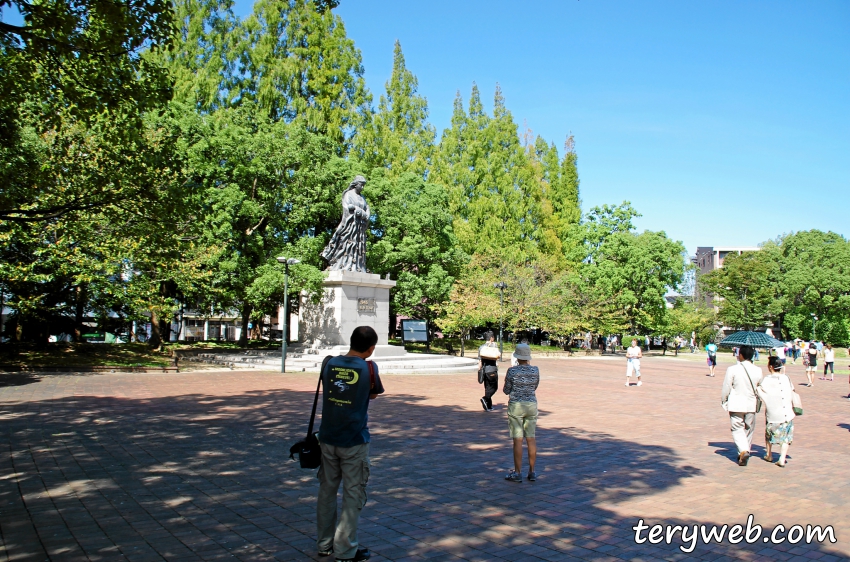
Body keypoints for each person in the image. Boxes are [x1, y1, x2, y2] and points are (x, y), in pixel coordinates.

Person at [316, 326, 385, 562]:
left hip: (327, 437)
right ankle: (345, 550)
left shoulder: (329, 363)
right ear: (371, 347)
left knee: (326, 491)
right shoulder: (369, 367)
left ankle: (324, 544)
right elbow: (373, 394)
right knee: (353, 494)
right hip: (354, 439)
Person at [503, 344, 540, 483]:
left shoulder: (512, 371)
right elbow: (535, 386)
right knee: (531, 437)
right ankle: (532, 471)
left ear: (517, 357)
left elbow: (506, 390)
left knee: (517, 439)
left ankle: (518, 472)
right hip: (531, 404)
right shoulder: (535, 370)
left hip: (516, 405)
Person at [720, 345, 763, 466]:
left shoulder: (732, 369)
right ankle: (744, 450)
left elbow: (727, 386)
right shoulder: (758, 370)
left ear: (742, 355)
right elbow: (760, 387)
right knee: (749, 428)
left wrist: (724, 399)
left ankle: (743, 450)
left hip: (736, 403)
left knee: (737, 427)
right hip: (751, 403)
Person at [321, 176, 370, 272]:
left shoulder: (362, 197)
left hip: (360, 228)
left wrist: (367, 213)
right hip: (350, 227)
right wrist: (357, 210)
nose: (362, 188)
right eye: (361, 185)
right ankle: (343, 265)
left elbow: (367, 208)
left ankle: (358, 266)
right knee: (347, 246)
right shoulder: (349, 194)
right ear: (356, 184)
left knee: (359, 247)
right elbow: (347, 207)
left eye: (364, 185)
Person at [757, 356, 795, 467]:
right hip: (787, 412)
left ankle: (769, 454)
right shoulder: (786, 378)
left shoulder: (767, 380)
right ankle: (782, 458)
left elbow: (760, 392)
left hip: (773, 413)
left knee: (769, 434)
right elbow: (792, 390)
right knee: (786, 437)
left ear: (771, 367)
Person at [478, 332, 499, 411]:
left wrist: (479, 370)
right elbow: (498, 355)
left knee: (487, 387)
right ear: (491, 338)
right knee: (494, 387)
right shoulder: (494, 346)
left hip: (484, 370)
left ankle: (488, 406)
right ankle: (485, 398)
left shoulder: (481, 347)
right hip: (492, 369)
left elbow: (479, 361)